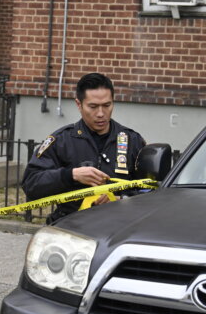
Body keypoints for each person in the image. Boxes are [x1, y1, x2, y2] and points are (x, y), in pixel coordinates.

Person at [22, 72, 145, 224]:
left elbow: (152, 192)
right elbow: (31, 184)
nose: (101, 113)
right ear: (79, 105)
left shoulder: (133, 140)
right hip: (71, 228)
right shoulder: (61, 140)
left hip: (118, 230)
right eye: (93, 106)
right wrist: (70, 176)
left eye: (107, 105)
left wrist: (121, 200)